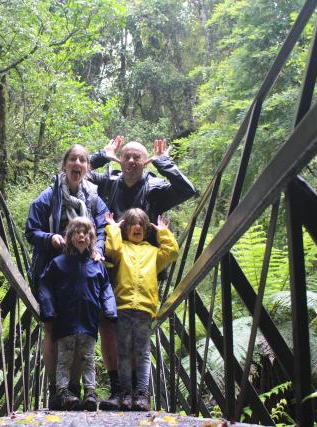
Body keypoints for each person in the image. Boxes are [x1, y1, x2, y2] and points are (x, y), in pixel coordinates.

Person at [88, 136, 198, 409]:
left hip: (141, 271)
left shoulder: (155, 188)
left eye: (138, 157)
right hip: (108, 266)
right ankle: (118, 390)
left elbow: (187, 189)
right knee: (109, 331)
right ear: (120, 159)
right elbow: (73, 172)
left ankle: (139, 394)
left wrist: (164, 163)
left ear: (145, 160)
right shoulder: (108, 182)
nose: (132, 161)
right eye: (126, 156)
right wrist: (103, 154)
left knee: (137, 337)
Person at [25, 144, 109, 408]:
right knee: (53, 329)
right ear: (65, 166)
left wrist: (98, 250)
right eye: (73, 159)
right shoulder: (48, 197)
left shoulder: (94, 199)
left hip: (82, 273)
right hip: (53, 273)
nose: (78, 163)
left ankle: (72, 389)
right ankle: (56, 389)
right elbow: (31, 231)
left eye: (83, 160)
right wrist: (51, 238)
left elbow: (104, 228)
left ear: (87, 168)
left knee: (78, 329)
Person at [38, 217, 117, 411]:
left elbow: (106, 288)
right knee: (64, 359)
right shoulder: (58, 263)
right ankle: (62, 392)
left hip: (89, 322)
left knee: (88, 359)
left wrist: (110, 309)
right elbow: (44, 284)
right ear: (70, 236)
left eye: (85, 233)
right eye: (76, 232)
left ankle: (90, 393)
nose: (81, 236)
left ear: (91, 237)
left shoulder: (97, 264)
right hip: (66, 321)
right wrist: (48, 309)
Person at [104, 208, 179, 411]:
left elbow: (172, 252)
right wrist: (113, 228)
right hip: (123, 306)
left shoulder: (153, 253)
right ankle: (126, 394)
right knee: (124, 352)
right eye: (130, 224)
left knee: (142, 353)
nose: (136, 227)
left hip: (144, 308)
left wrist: (162, 231)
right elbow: (110, 250)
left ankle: (142, 395)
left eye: (140, 225)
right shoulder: (122, 249)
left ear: (146, 230)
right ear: (126, 229)